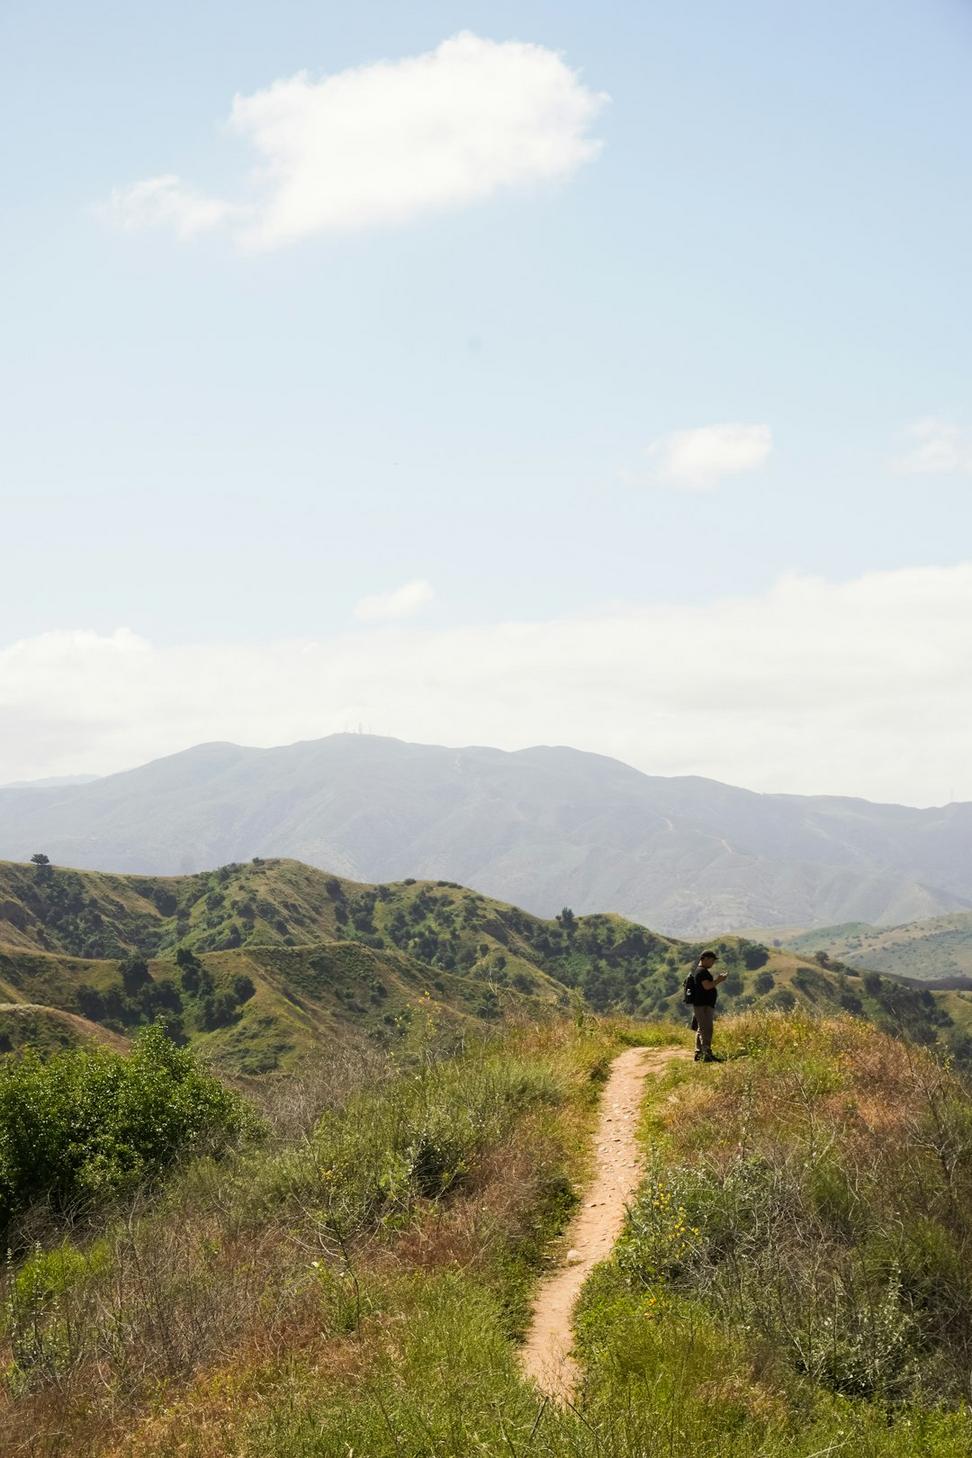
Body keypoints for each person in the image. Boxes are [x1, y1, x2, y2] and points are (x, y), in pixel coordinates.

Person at [691, 950, 727, 1062]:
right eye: (712, 960)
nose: (712, 963)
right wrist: (719, 980)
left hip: (701, 1004)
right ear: (705, 959)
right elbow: (707, 986)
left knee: (701, 1028)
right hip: (703, 1005)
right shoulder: (702, 972)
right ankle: (706, 1053)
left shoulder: (699, 971)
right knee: (706, 1029)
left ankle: (699, 1053)